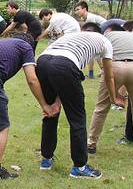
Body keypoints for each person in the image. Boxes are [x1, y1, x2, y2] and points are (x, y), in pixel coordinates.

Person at [0, 33, 60, 179]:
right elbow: (32, 79)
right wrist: (44, 104)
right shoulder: (25, 46)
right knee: (2, 126)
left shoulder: (0, 43)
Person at [36, 24, 116, 179]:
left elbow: (58, 72)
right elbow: (109, 75)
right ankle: (79, 167)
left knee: (51, 111)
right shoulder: (105, 41)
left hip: (43, 61)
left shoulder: (71, 36)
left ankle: (46, 159)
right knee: (77, 118)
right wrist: (114, 97)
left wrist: (58, 100)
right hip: (66, 64)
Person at [87, 24, 133, 159]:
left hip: (115, 66)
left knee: (101, 108)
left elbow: (102, 64)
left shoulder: (106, 37)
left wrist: (113, 95)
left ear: (109, 31)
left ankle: (91, 144)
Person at [73, 2, 107, 80]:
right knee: (93, 53)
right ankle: (95, 73)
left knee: (93, 52)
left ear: (84, 9)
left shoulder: (90, 18)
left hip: (104, 34)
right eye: (75, 10)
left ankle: (100, 71)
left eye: (78, 9)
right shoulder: (87, 17)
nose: (76, 12)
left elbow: (89, 33)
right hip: (100, 35)